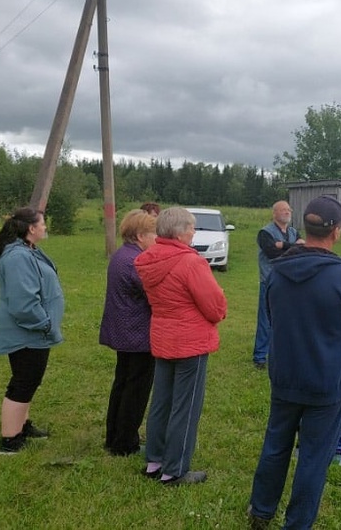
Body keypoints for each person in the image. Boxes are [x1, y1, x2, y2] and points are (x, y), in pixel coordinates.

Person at [248, 196, 341, 529]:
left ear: (305, 226)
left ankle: (260, 511)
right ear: (336, 232)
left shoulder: (277, 273)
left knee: (276, 445)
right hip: (326, 381)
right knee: (314, 458)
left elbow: (272, 317)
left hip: (285, 375)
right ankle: (297, 522)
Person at [134, 207, 227, 485]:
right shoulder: (191, 262)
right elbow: (214, 305)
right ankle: (175, 470)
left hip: (163, 336)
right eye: (191, 228)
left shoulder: (147, 259)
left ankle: (155, 460)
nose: (194, 232)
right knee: (185, 407)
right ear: (179, 231)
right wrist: (220, 313)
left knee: (161, 401)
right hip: (190, 341)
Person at [0, 207, 64, 455]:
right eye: (42, 223)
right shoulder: (18, 257)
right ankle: (10, 440)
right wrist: (45, 323)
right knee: (23, 382)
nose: (45, 227)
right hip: (28, 332)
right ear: (31, 228)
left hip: (34, 332)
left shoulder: (28, 250)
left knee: (28, 381)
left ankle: (22, 425)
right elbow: (23, 303)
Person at [99, 210, 158, 456]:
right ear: (140, 235)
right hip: (136, 335)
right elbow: (152, 294)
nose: (156, 237)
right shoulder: (136, 261)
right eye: (154, 233)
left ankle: (114, 436)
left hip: (123, 332)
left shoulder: (121, 255)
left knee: (122, 384)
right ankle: (125, 442)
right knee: (135, 389)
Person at [252, 200, 304, 369]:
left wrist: (284, 245)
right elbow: (271, 252)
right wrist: (292, 247)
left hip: (289, 281)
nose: (287, 212)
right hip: (270, 281)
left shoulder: (293, 231)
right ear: (274, 213)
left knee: (288, 318)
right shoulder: (265, 233)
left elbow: (302, 250)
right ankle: (260, 357)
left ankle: (283, 353)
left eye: (289, 209)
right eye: (283, 210)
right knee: (265, 319)